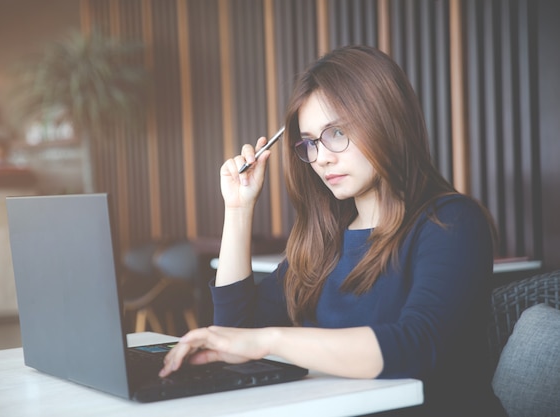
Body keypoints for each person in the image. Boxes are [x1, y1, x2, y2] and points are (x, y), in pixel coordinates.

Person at [160, 45, 506, 416]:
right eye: (310, 142)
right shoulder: (324, 239)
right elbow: (235, 333)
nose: (321, 156)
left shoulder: (451, 222)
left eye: (336, 132)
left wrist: (271, 340)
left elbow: (418, 347)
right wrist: (238, 208)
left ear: (386, 121)